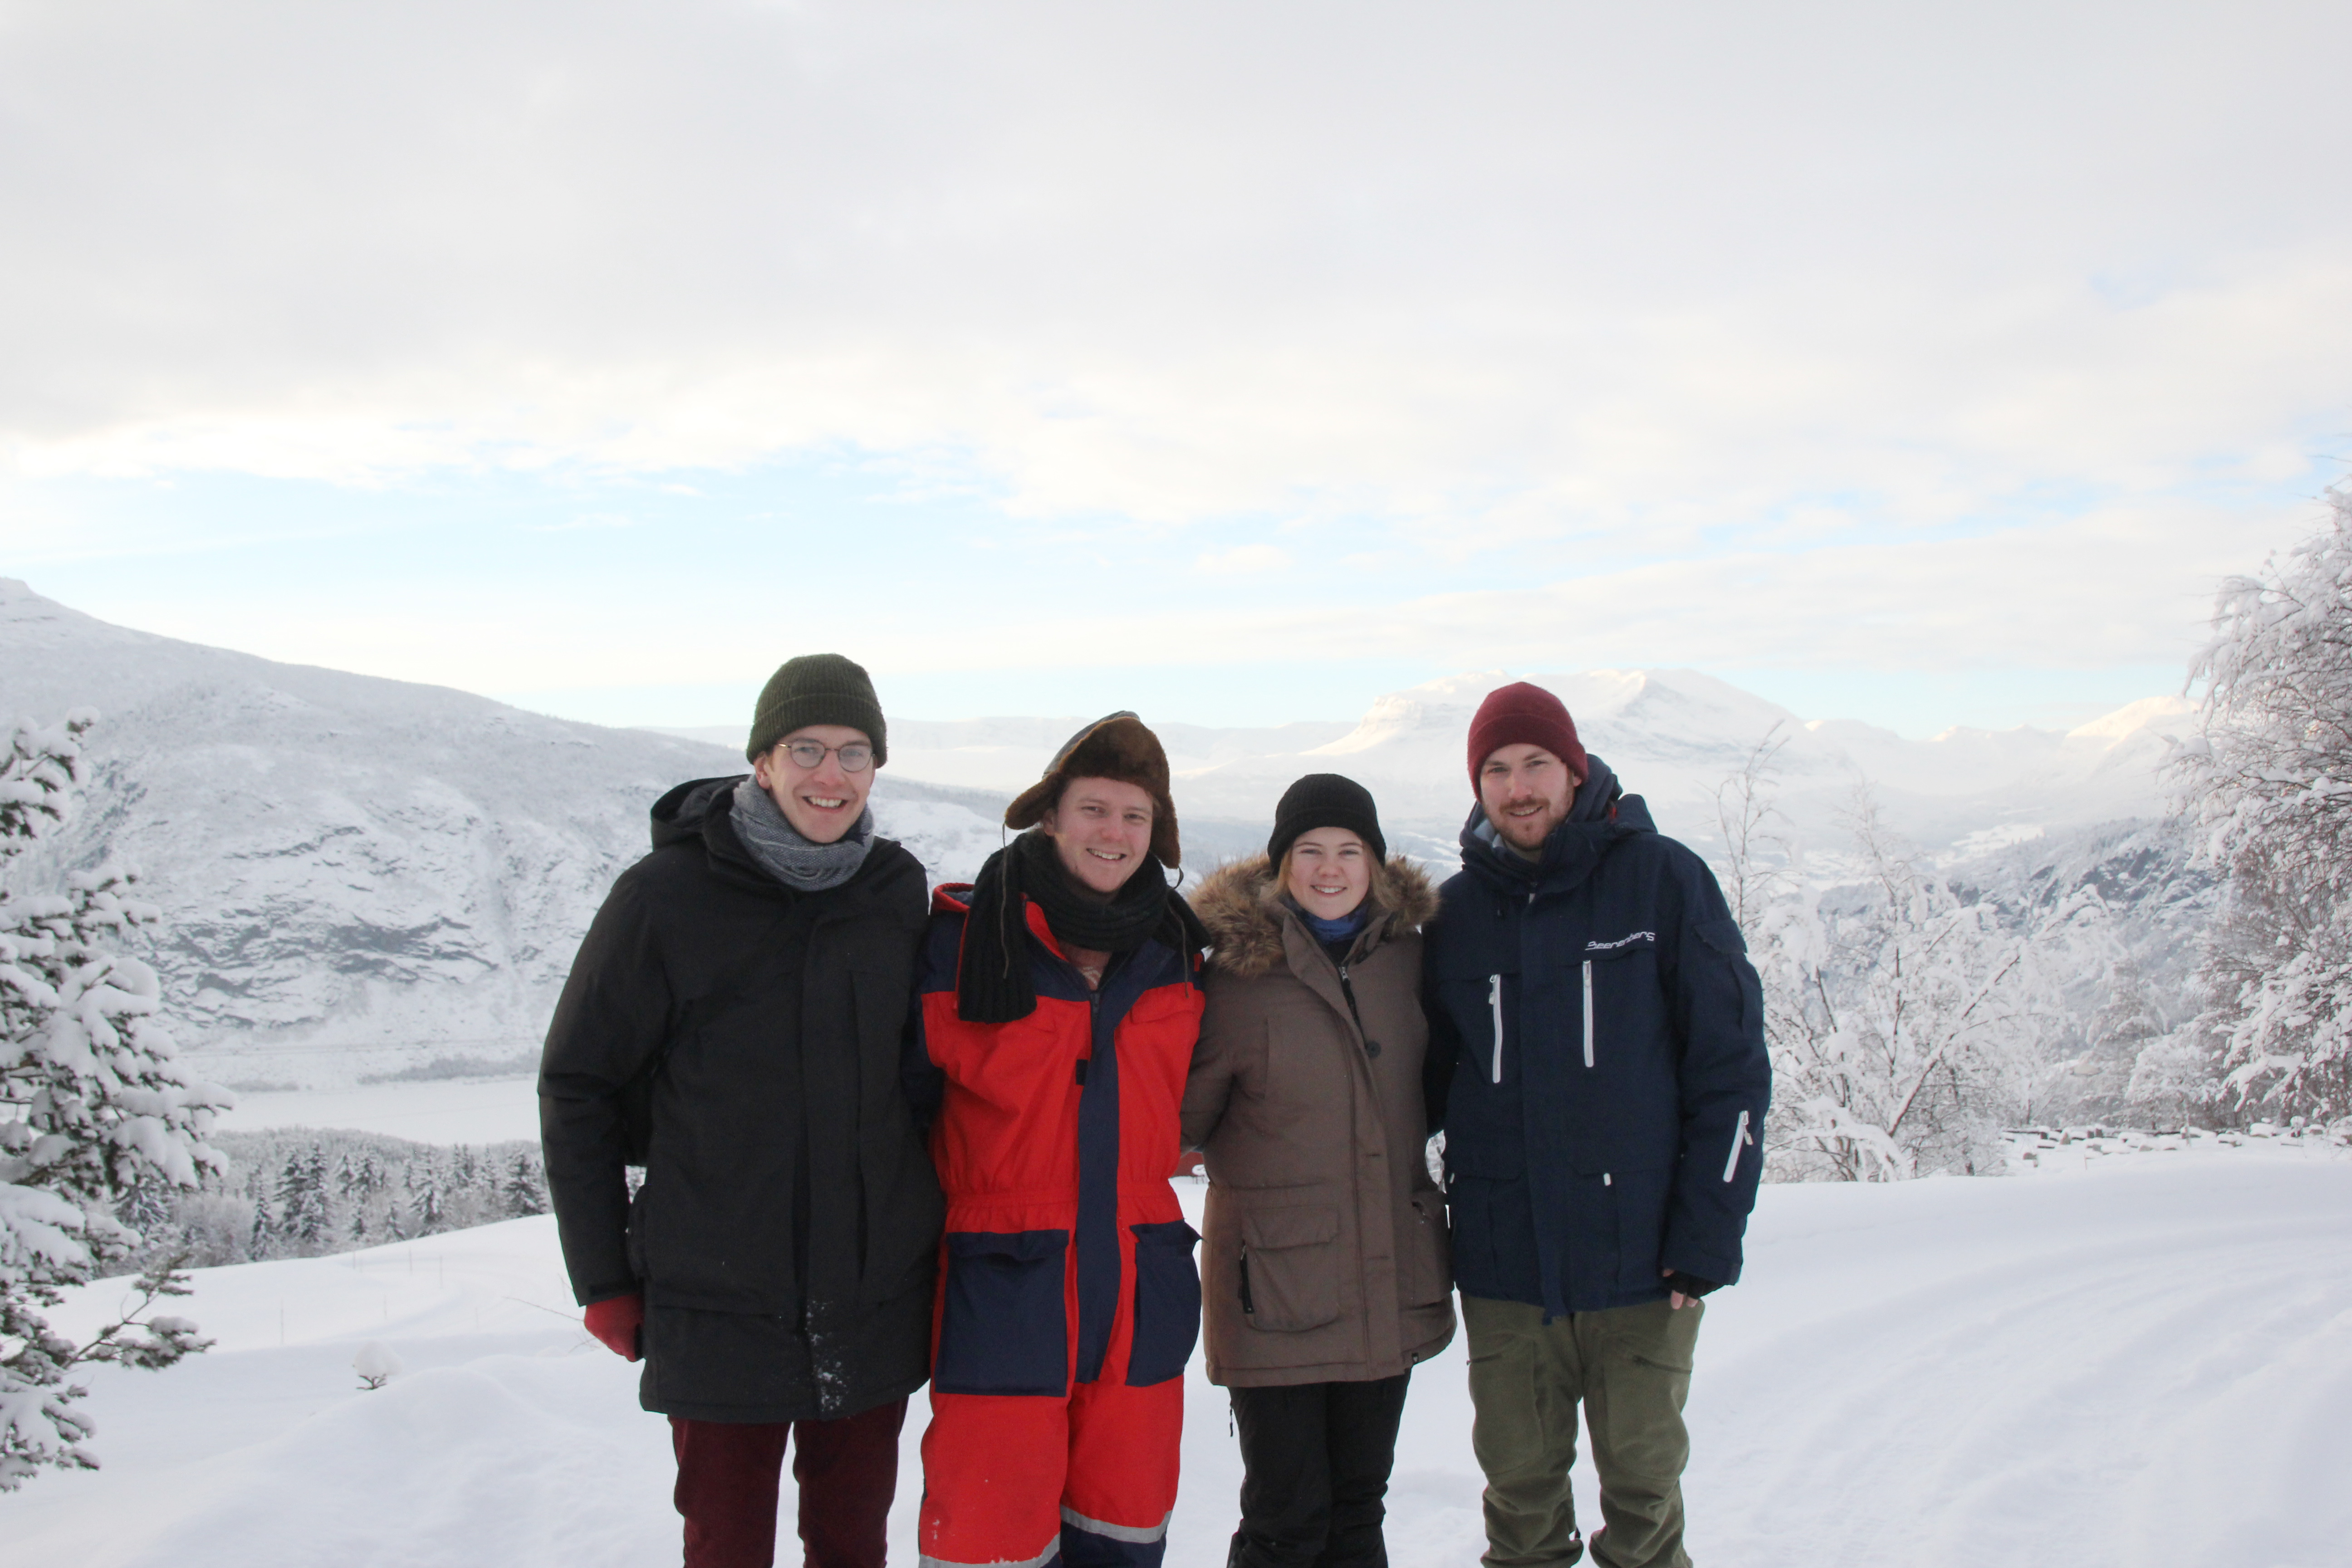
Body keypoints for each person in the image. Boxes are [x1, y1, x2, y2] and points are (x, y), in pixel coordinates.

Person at [539, 654, 944, 1568]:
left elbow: (921, 1083)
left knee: (852, 1545)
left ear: (876, 768)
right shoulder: (665, 899)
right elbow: (579, 1086)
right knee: (725, 1547)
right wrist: (602, 1277)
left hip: (869, 1302)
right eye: (806, 749)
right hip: (718, 1301)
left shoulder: (893, 892)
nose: (829, 775)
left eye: (853, 753)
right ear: (761, 762)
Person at [1422, 682, 1771, 1568]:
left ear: (1575, 770)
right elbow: (1406, 1086)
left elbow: (1730, 1072)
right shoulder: (1457, 915)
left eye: (1536, 763)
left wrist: (1707, 1238)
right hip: (1505, 1274)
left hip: (1643, 1272)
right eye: (1495, 770)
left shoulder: (1663, 882)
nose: (1518, 787)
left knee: (1645, 1515)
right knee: (1520, 1514)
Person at [904, 712, 1211, 1568]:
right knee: (989, 1540)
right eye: (1095, 809)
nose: (1114, 833)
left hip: (1140, 1292)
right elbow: (899, 1114)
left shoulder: (1179, 956)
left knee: (1123, 1533)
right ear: (1051, 817)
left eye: (1135, 817)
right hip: (1001, 1297)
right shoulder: (961, 945)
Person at [1181, 773, 1455, 1568]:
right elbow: (1180, 1124)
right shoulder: (1232, 978)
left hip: (1387, 1279)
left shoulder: (1408, 961)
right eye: (1310, 851)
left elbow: (1433, 1091)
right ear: (1280, 863)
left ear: (1375, 863)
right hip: (1275, 1293)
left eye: (1349, 851)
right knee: (1285, 1520)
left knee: (1358, 1512)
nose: (1330, 869)